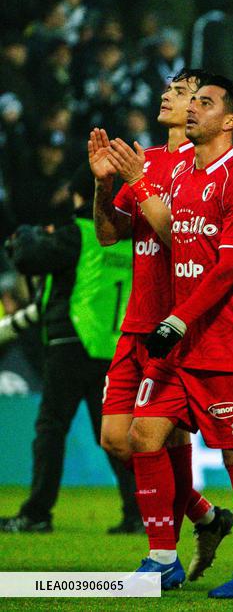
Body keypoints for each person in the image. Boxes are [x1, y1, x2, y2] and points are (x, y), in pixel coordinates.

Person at [107, 74, 233, 598]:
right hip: (178, 343)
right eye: (192, 101)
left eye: (205, 103)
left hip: (230, 341)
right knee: (141, 436)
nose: (193, 109)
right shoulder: (181, 177)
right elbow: (161, 228)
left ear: (231, 121)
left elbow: (228, 268)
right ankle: (162, 558)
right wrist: (135, 183)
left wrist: (178, 319)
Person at [93, 69, 233, 582]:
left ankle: (161, 558)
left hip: (176, 328)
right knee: (116, 439)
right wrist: (104, 184)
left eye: (179, 93)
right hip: (137, 324)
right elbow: (110, 235)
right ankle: (205, 515)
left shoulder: (200, 168)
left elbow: (188, 243)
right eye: (174, 92)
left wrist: (138, 183)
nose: (169, 98)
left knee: (152, 437)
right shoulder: (145, 161)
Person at [0, 174, 140, 535]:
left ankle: (37, 513)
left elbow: (28, 259)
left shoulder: (78, 231)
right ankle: (138, 513)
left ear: (79, 193)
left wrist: (25, 238)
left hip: (72, 342)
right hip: (114, 347)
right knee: (110, 436)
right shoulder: (131, 239)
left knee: (51, 428)